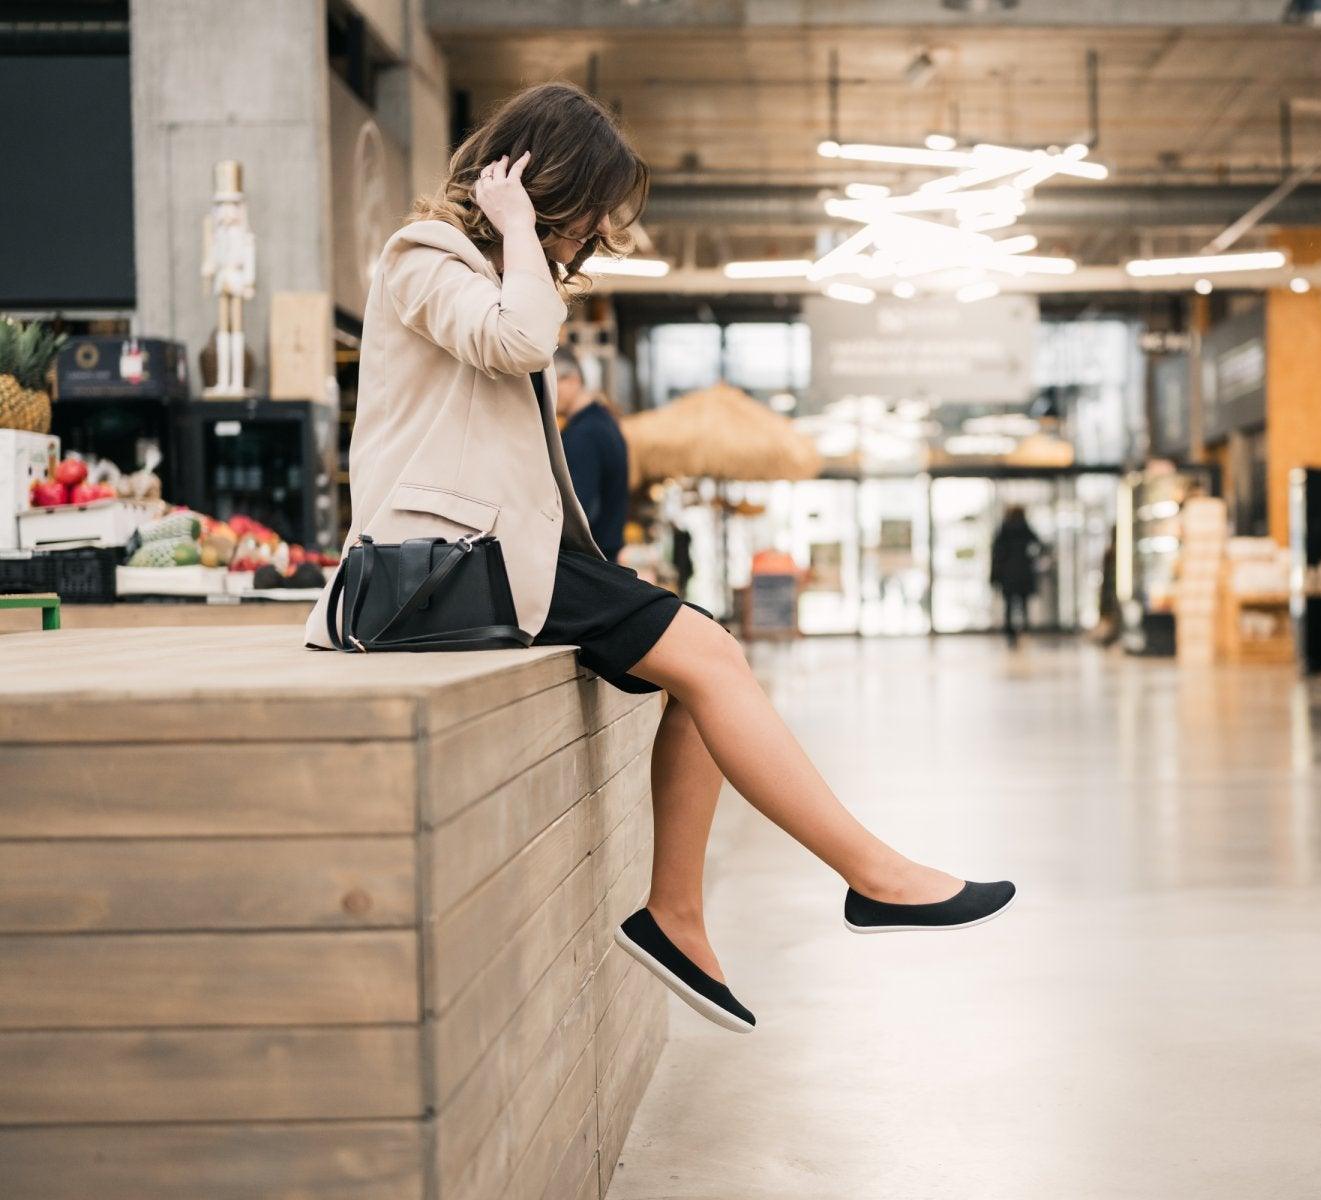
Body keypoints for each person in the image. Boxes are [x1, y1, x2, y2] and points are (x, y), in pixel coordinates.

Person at [301, 82, 1012, 1034]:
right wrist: (515, 224)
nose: (596, 229)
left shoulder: (493, 266)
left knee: (708, 658)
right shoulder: (422, 255)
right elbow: (518, 341)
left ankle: (684, 916)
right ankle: (865, 876)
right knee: (713, 656)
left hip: (500, 555)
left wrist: (522, 240)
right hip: (441, 566)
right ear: (538, 179)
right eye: (588, 202)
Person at [552, 351, 630, 559]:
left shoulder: (583, 435)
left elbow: (578, 512)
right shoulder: (604, 421)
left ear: (573, 380)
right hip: (606, 557)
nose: (547, 393)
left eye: (552, 382)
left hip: (591, 562)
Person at [990, 504, 1045, 648]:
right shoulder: (1026, 529)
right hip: (1024, 573)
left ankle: (1010, 633)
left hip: (1008, 574)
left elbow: (996, 553)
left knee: (1009, 605)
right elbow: (1038, 544)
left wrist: (996, 573)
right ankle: (1024, 630)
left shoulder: (1004, 530)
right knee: (1023, 605)